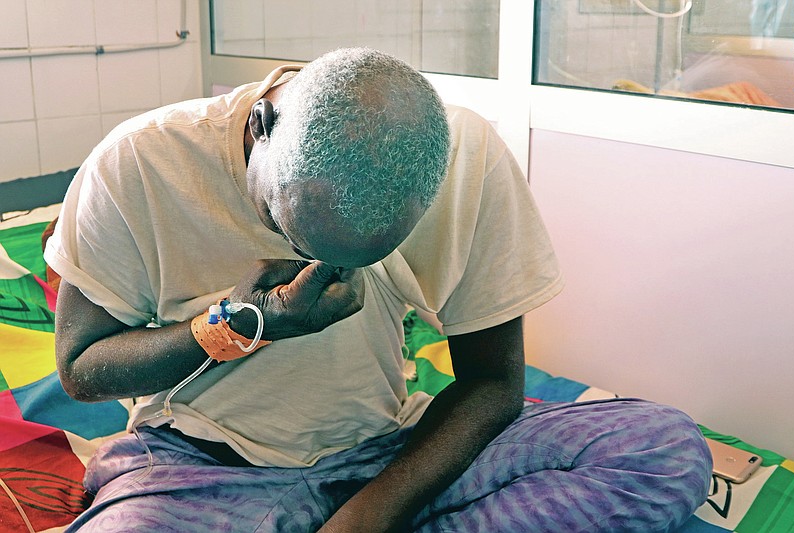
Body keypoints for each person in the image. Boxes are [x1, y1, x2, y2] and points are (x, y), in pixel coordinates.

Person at [46, 48, 711, 532]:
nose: (321, 272)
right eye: (292, 231)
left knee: (661, 449)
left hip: (391, 451)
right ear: (261, 127)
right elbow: (81, 370)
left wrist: (368, 515)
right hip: (200, 468)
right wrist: (243, 321)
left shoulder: (468, 157)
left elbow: (494, 384)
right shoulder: (137, 163)